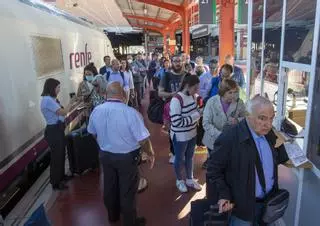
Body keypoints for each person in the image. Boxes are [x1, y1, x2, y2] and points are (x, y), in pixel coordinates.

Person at [207, 95, 289, 225]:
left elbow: (280, 158)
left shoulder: (270, 134)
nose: (268, 124)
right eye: (262, 118)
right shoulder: (230, 138)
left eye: (271, 118)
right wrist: (224, 195)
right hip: (243, 211)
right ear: (248, 115)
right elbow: (213, 170)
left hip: (267, 205)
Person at [87, 82, 155, 226]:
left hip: (105, 155)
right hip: (127, 157)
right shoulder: (130, 112)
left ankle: (112, 216)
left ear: (106, 95)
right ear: (123, 96)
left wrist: (104, 144)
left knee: (110, 185)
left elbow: (92, 133)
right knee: (127, 190)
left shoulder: (97, 110)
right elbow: (143, 139)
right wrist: (150, 153)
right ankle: (130, 222)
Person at [202, 79, 246, 169]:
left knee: (227, 166)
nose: (233, 96)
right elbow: (206, 123)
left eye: (235, 92)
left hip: (231, 141)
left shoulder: (239, 103)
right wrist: (220, 135)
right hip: (213, 140)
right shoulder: (211, 102)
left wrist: (238, 120)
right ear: (223, 92)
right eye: (230, 93)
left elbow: (246, 118)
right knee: (214, 166)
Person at [40, 78, 75, 190]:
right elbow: (63, 112)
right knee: (56, 157)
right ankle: (56, 182)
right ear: (52, 88)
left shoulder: (52, 99)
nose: (59, 89)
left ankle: (62, 176)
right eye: (58, 87)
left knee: (61, 154)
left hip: (57, 129)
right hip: (53, 130)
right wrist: (72, 101)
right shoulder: (47, 100)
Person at [170, 74, 202, 193]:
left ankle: (189, 178)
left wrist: (199, 109)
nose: (197, 91)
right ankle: (179, 180)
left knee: (190, 157)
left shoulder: (194, 96)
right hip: (180, 136)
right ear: (187, 86)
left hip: (192, 133)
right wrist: (197, 115)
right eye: (195, 88)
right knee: (179, 158)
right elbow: (177, 122)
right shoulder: (177, 99)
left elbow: (197, 108)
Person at [158, 54, 186, 164]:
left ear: (182, 62)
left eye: (179, 61)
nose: (177, 63)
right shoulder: (166, 76)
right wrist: (172, 94)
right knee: (172, 131)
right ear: (171, 63)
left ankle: (183, 152)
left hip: (185, 107)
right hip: (170, 107)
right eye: (175, 61)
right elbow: (160, 93)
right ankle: (174, 153)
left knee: (184, 131)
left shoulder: (187, 75)